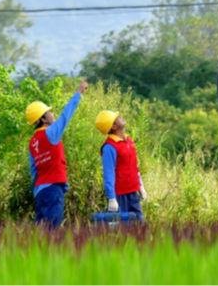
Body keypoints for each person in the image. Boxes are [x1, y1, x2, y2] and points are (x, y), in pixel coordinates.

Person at [25, 78, 89, 228]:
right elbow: (66, 115)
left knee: (40, 234)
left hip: (40, 192)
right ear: (43, 119)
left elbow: (33, 171)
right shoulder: (51, 133)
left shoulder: (32, 143)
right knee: (52, 233)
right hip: (53, 189)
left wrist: (39, 187)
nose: (53, 113)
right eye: (49, 112)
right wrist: (79, 92)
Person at [95, 110, 146, 222]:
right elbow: (109, 175)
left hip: (133, 193)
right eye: (116, 117)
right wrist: (112, 198)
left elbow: (134, 167)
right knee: (121, 231)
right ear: (113, 126)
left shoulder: (128, 140)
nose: (120, 116)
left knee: (141, 228)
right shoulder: (109, 147)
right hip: (119, 195)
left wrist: (140, 186)